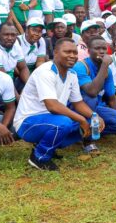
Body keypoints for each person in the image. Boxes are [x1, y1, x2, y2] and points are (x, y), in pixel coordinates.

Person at [13, 38, 94, 171]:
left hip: (50, 120)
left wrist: (94, 116)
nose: (72, 56)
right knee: (64, 122)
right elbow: (52, 106)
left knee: (91, 122)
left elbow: (78, 103)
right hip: (27, 123)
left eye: (75, 52)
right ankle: (39, 157)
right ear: (55, 53)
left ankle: (47, 145)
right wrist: (81, 119)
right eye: (67, 52)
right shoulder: (45, 72)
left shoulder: (72, 74)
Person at [73, 37, 116, 150]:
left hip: (97, 107)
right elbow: (92, 92)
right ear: (89, 51)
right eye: (97, 48)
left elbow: (112, 98)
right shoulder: (81, 66)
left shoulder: (107, 71)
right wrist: (105, 65)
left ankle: (84, 131)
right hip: (78, 109)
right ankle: (88, 141)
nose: (101, 51)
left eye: (104, 49)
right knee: (91, 99)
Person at [0, 23, 30, 87]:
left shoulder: (15, 44)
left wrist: (29, 87)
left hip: (10, 79)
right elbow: (4, 79)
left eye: (13, 35)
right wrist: (19, 94)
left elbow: (23, 68)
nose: (10, 38)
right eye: (6, 34)